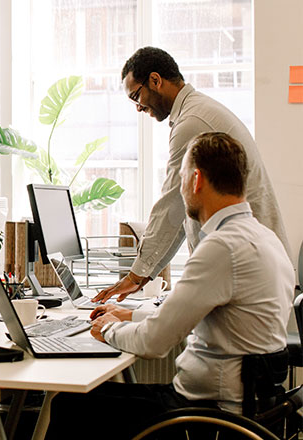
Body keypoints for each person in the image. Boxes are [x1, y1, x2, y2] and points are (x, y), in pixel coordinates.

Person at [45, 132, 295, 439]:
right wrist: (128, 316)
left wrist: (107, 328)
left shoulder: (222, 247)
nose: (180, 187)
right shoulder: (264, 238)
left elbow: (153, 343)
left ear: (196, 179)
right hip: (245, 408)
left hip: (204, 417)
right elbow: (196, 318)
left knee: (70, 406)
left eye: (180, 177)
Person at [93, 46, 289, 304]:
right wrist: (141, 275)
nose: (138, 108)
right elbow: (181, 209)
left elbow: (172, 205)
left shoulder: (192, 122)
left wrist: (136, 276)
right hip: (250, 264)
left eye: (136, 97)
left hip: (246, 268)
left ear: (155, 80)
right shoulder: (196, 111)